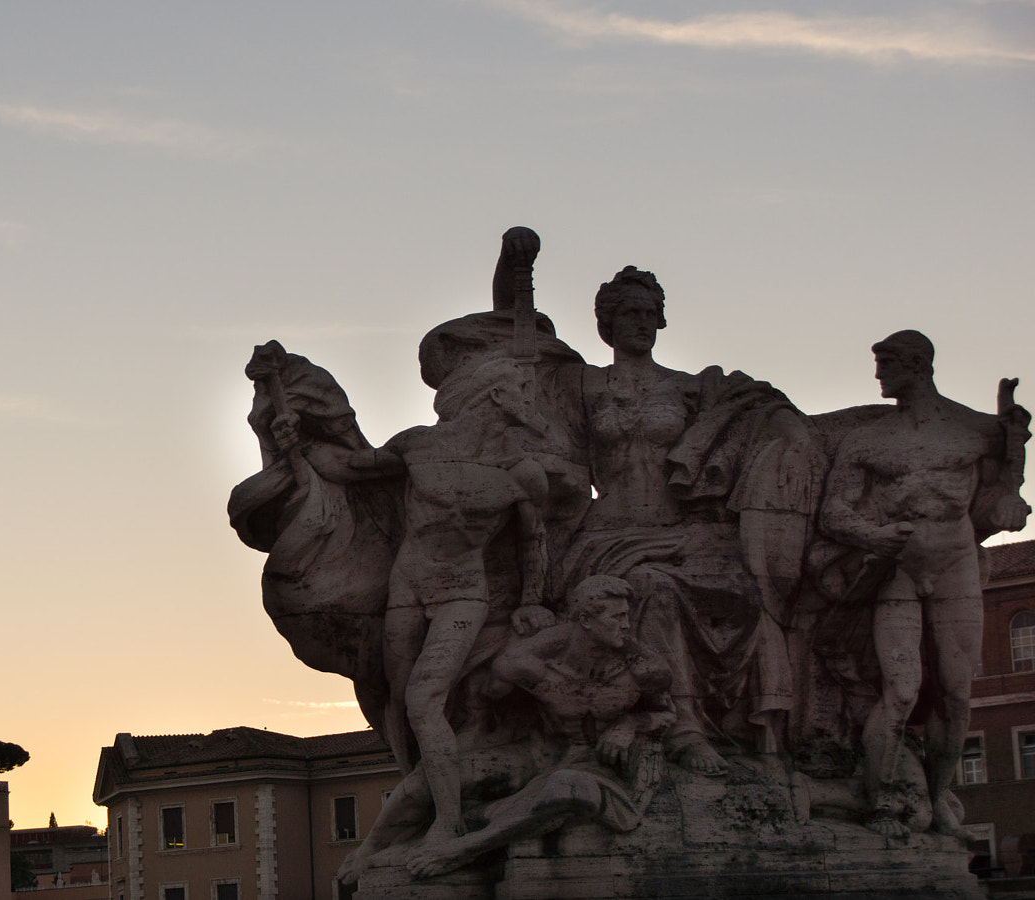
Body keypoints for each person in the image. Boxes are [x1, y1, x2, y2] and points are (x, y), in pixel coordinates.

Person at [561, 266, 810, 774]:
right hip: (607, 535)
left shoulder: (691, 388)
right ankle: (683, 728)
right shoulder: (583, 385)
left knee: (748, 593)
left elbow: (756, 408)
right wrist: (518, 271)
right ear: (606, 323)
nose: (643, 323)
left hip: (683, 533)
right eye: (630, 313)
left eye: (651, 314)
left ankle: (749, 731)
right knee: (649, 587)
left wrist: (790, 431)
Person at [320, 355, 555, 848]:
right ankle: (418, 799)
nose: (532, 401)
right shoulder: (419, 443)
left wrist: (532, 600)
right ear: (495, 394)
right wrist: (288, 436)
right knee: (399, 701)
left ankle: (449, 822)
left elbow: (533, 543)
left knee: (426, 699)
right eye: (523, 389)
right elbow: (346, 467)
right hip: (408, 586)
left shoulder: (523, 471)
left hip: (463, 593)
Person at [819, 330, 1030, 839]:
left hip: (956, 565)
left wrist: (1013, 452)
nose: (878, 375)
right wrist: (874, 534)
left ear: (918, 364)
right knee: (901, 689)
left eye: (886, 363)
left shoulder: (973, 428)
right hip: (898, 569)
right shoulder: (868, 440)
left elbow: (1007, 492)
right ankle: (882, 798)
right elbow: (832, 512)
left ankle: (937, 802)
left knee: (957, 696)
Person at [336, 575, 673, 885]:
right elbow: (493, 688)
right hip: (541, 754)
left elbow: (668, 714)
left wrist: (631, 723)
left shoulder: (645, 669)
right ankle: (372, 847)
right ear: (585, 621)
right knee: (441, 773)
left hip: (599, 764)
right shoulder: (533, 662)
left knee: (564, 786)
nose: (627, 626)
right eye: (616, 618)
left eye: (626, 615)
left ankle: (464, 848)